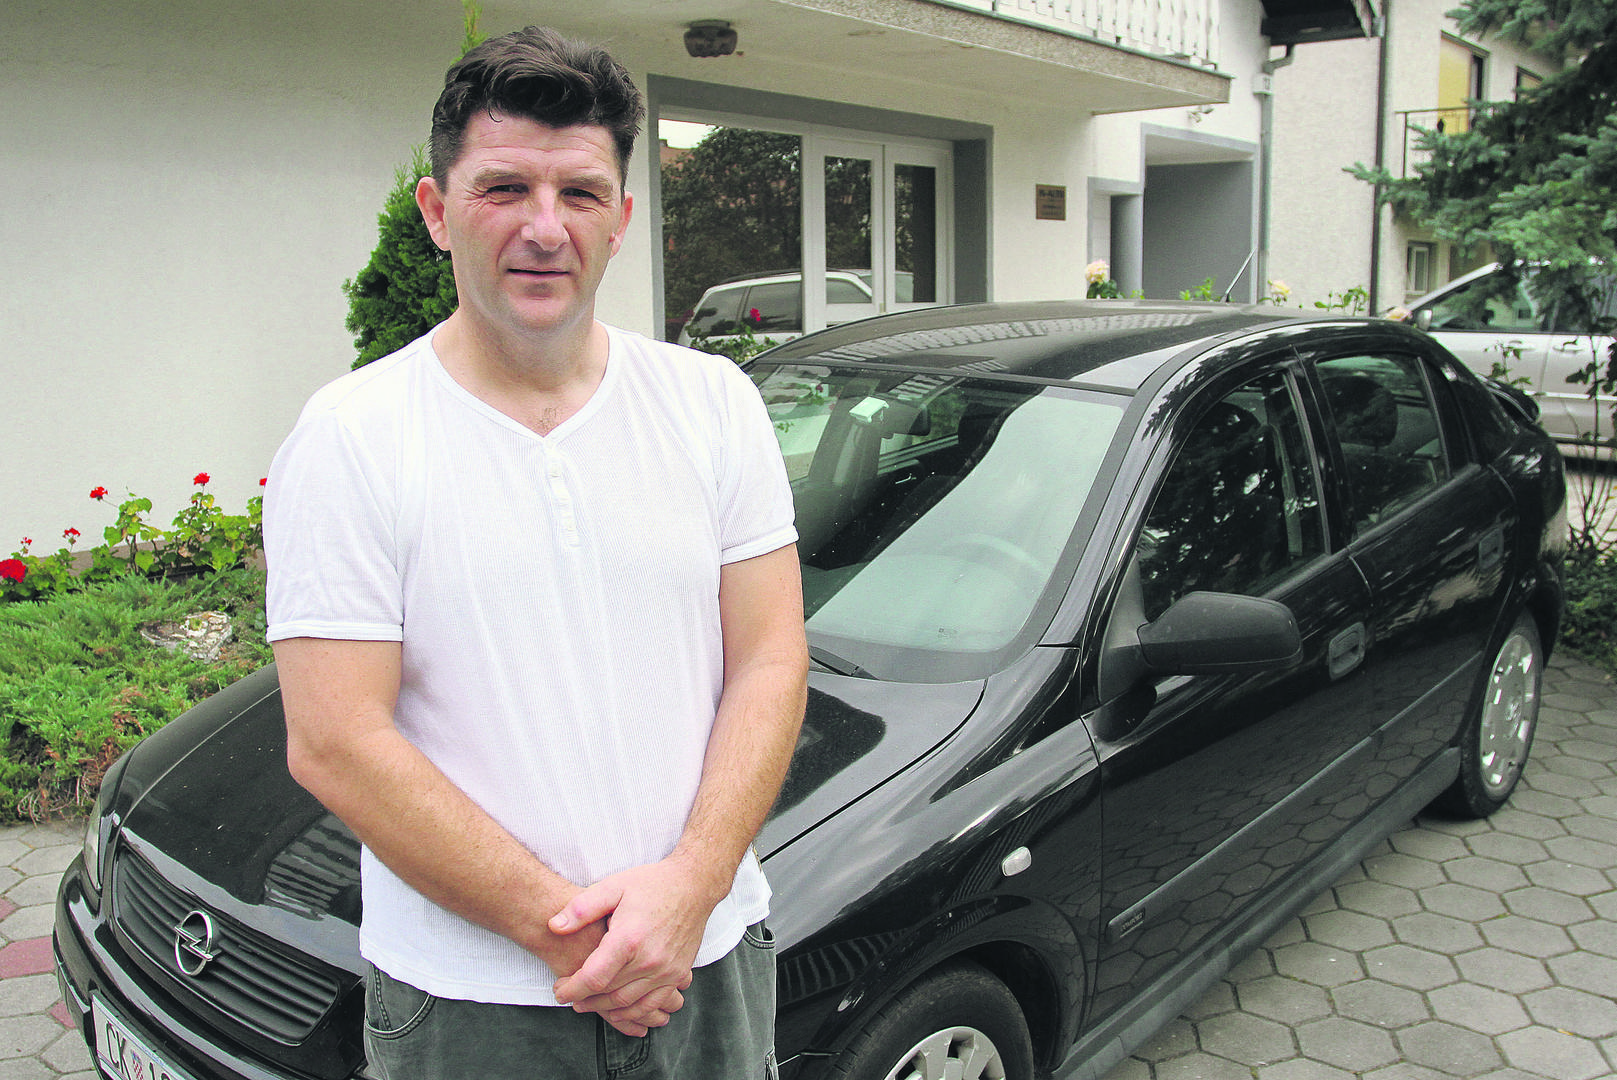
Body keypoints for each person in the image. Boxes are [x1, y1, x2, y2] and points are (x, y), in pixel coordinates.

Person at [262, 25, 808, 1080]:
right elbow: (334, 739)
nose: (544, 229)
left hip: (706, 962)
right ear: (437, 211)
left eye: (581, 194)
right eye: (504, 188)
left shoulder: (713, 404)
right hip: (473, 1008)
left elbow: (771, 657)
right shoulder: (351, 437)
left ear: (622, 220)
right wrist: (577, 942)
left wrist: (691, 888)